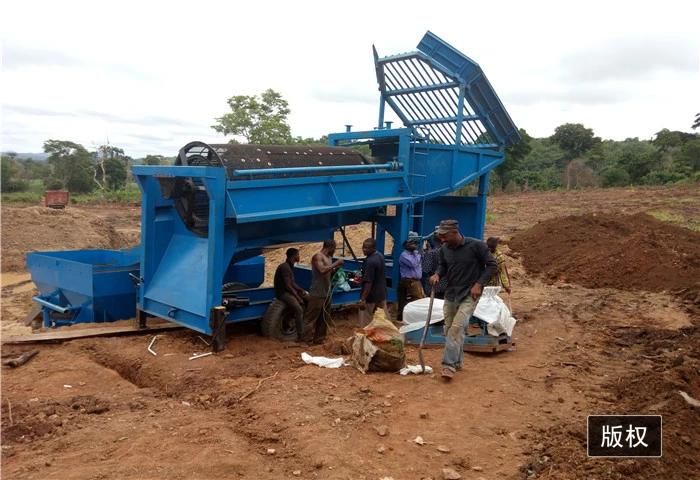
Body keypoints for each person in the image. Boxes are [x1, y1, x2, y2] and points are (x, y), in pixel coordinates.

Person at [429, 219, 496, 381]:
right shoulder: (445, 249)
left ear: (454, 232)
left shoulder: (476, 246)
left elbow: (492, 265)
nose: (442, 240)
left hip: (470, 295)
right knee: (449, 330)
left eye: (444, 236)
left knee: (456, 329)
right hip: (451, 293)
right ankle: (457, 361)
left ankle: (448, 366)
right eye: (440, 237)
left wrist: (479, 284)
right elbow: (442, 265)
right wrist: (437, 274)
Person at [302, 239, 344, 344]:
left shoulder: (329, 258)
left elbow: (329, 273)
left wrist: (337, 269)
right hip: (317, 292)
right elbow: (322, 270)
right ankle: (306, 340)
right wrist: (336, 263)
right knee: (311, 317)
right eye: (334, 248)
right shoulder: (318, 257)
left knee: (324, 318)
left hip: (326, 292)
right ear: (330, 247)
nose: (334, 251)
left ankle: (319, 339)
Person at [273, 248, 307, 341]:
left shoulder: (289, 266)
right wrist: (297, 297)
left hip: (287, 291)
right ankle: (300, 336)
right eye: (298, 255)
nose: (299, 257)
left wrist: (301, 290)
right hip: (283, 293)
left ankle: (305, 326)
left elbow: (292, 283)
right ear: (294, 256)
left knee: (308, 299)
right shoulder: (285, 267)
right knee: (299, 309)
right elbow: (288, 286)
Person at [359, 238, 391, 324]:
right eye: (363, 247)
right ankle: (389, 335)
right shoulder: (380, 256)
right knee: (384, 319)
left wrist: (363, 299)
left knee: (366, 320)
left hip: (371, 296)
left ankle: (366, 336)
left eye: (367, 248)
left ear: (373, 248)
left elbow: (369, 283)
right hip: (381, 294)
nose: (364, 249)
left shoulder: (370, 262)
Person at [397, 235, 424, 322]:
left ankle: (406, 317)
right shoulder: (404, 255)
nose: (414, 245)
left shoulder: (415, 253)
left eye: (414, 243)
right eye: (411, 243)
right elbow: (414, 264)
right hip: (409, 280)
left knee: (415, 299)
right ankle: (404, 318)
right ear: (406, 245)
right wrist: (419, 252)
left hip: (414, 280)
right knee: (417, 299)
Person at [421, 234, 447, 299]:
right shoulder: (450, 253)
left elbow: (426, 269)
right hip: (448, 286)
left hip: (434, 286)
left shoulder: (431, 253)